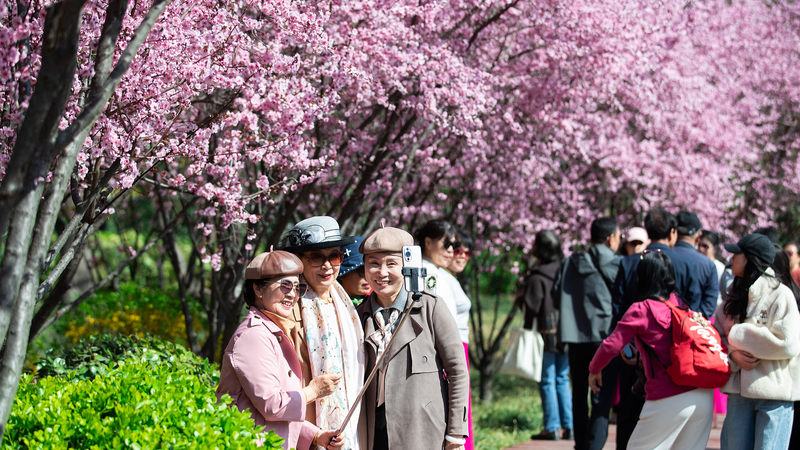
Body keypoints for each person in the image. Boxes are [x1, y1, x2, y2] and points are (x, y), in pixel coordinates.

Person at [216, 250, 345, 450]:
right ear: (258, 289)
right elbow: (272, 405)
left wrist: (316, 436)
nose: (292, 294)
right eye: (285, 285)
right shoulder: (253, 336)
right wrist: (313, 391)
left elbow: (274, 415)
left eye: (297, 287)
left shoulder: (272, 332)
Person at [356, 225, 469, 450]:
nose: (382, 272)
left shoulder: (430, 307)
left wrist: (456, 433)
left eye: (391, 263)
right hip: (373, 433)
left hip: (423, 432)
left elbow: (457, 370)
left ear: (407, 266)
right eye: (374, 263)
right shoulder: (359, 316)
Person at [589, 251, 714, 450]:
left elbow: (611, 345)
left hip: (669, 397)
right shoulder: (682, 305)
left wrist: (594, 369)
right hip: (703, 397)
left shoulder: (642, 309)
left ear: (641, 277)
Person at [609, 208, 702, 449]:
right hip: (678, 358)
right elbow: (696, 308)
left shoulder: (630, 262)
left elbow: (618, 305)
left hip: (635, 352)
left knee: (629, 414)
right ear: (672, 233)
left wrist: (629, 345)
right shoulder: (688, 262)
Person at [284, 216, 365, 450]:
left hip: (349, 425)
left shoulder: (345, 301)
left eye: (334, 256)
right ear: (299, 260)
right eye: (316, 257)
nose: (327, 265)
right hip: (305, 427)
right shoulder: (288, 306)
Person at [714, 234, 800, 450]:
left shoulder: (781, 295)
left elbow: (788, 343)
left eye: (736, 254)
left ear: (751, 259)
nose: (731, 258)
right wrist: (732, 354)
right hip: (738, 393)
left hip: (774, 394)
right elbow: (716, 337)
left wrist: (739, 335)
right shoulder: (733, 295)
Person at [554, 216, 622, 450]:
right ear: (610, 237)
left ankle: (581, 444)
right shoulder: (616, 263)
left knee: (579, 394)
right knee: (601, 397)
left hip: (574, 338)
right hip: (603, 338)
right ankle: (594, 445)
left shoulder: (569, 262)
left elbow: (556, 294)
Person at [524, 230, 573, 441]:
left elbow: (531, 307)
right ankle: (570, 426)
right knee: (562, 378)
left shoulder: (537, 275)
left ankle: (551, 427)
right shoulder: (567, 270)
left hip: (546, 333)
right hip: (568, 331)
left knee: (547, 380)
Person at [444, 228, 475, 450]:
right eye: (457, 250)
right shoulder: (440, 277)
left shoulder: (451, 279)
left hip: (461, 346)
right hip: (453, 347)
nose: (462, 256)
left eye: (467, 252)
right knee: (460, 406)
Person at [697, 229, 728, 427]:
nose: (701, 249)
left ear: (714, 249)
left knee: (715, 362)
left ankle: (718, 413)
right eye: (699, 245)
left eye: (705, 246)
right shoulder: (697, 264)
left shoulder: (720, 268)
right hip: (698, 318)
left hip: (715, 318)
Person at [672, 211, 718, 319]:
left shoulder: (661, 256)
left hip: (661, 325)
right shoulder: (708, 265)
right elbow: (709, 306)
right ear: (698, 236)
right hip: (691, 328)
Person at [338, 236, 371, 306]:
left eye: (371, 269)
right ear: (342, 274)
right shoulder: (329, 304)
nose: (368, 276)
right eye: (362, 270)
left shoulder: (381, 301)